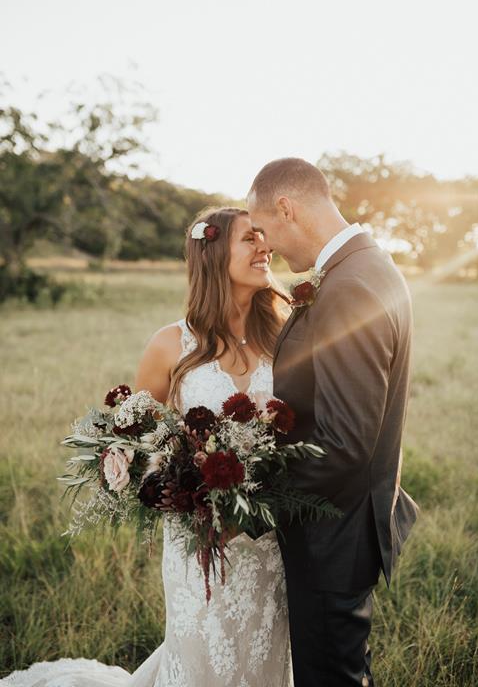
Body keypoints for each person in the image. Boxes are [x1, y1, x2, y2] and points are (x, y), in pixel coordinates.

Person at [1, 207, 293, 687]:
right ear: (213, 254)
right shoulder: (169, 345)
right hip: (197, 542)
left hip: (268, 542)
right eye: (250, 239)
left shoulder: (284, 337)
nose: (266, 247)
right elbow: (135, 442)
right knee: (202, 653)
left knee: (264, 651)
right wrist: (180, 493)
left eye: (265, 237)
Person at [247, 157, 419, 687]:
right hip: (338, 529)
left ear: (287, 208)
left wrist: (252, 504)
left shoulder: (349, 286)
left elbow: (345, 445)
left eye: (264, 230)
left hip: (332, 535)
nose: (266, 248)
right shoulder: (364, 266)